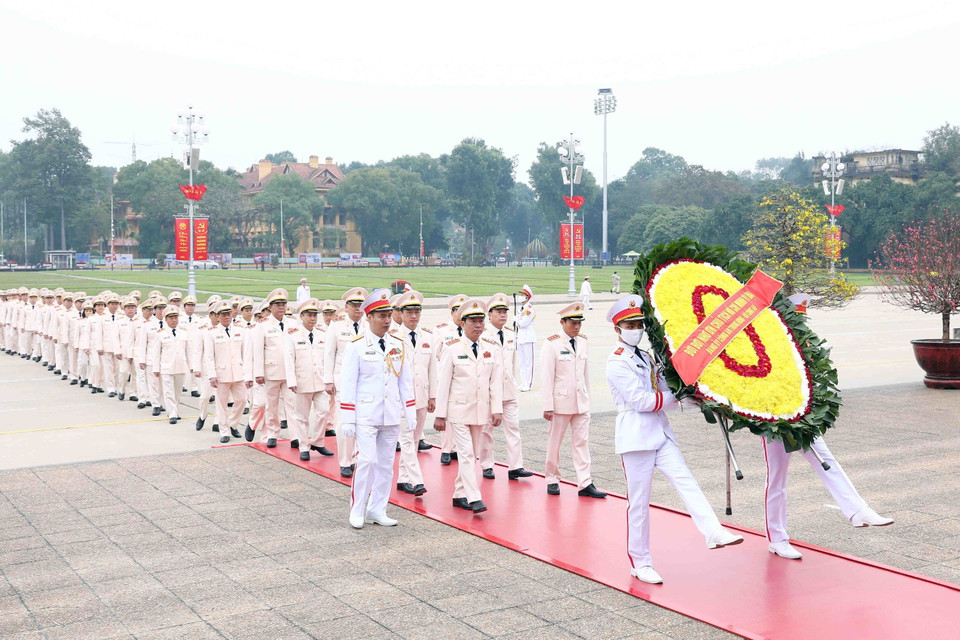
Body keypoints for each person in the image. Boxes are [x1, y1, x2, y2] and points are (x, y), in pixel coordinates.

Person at [605, 295, 744, 584]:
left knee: (686, 481)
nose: (636, 329)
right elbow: (641, 400)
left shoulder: (646, 356)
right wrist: (678, 398)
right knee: (639, 504)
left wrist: (703, 400)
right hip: (635, 436)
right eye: (629, 324)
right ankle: (640, 562)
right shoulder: (617, 362)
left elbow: (668, 386)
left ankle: (713, 531)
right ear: (617, 329)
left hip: (661, 432)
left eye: (639, 324)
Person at [763, 294, 893, 560]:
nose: (800, 322)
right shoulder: (768, 343)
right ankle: (777, 538)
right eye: (795, 318)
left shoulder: (805, 343)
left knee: (827, 461)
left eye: (801, 318)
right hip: (775, 421)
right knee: (777, 479)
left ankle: (858, 511)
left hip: (802, 417)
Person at [339, 289, 417, 529]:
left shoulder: (398, 344)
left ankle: (377, 509)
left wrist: (410, 412)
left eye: (388, 315)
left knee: (385, 465)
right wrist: (348, 418)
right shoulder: (356, 346)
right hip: (366, 414)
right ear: (368, 317)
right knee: (367, 461)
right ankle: (358, 509)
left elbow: (405, 381)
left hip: (391, 414)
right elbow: (348, 383)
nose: (386, 320)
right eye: (381, 316)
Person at [435, 298, 503, 514]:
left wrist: (497, 408)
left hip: (480, 411)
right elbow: (443, 384)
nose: (478, 325)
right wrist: (440, 415)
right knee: (465, 455)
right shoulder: (452, 348)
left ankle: (459, 494)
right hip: (458, 412)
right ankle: (474, 498)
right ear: (462, 324)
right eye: (473, 321)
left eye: (481, 321)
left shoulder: (490, 348)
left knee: (471, 454)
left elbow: (495, 382)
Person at [541, 303, 606, 498]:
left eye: (579, 323)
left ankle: (585, 482)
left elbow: (585, 375)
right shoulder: (552, 343)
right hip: (560, 403)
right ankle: (552, 478)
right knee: (555, 442)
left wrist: (587, 400)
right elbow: (546, 376)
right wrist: (547, 406)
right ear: (562, 322)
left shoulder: (584, 341)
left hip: (581, 402)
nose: (576, 327)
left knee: (581, 442)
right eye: (572, 323)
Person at [478, 293, 532, 480]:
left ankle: (515, 466)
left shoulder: (510, 334)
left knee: (513, 429)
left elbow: (513, 363)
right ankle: (486, 465)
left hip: (509, 390)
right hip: (489, 393)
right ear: (489, 314)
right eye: (498, 312)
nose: (503, 315)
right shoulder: (483, 336)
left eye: (505, 312)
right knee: (487, 430)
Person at [391, 290, 436, 496]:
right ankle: (417, 481)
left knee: (415, 439)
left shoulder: (427, 336)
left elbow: (431, 368)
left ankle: (403, 479)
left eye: (417, 311)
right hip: (401, 399)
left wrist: (432, 396)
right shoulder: (393, 338)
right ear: (400, 313)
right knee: (407, 440)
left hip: (422, 397)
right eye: (409, 312)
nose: (413, 316)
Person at [324, 287, 369, 477]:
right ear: (346, 307)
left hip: (366, 381)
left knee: (364, 422)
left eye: (361, 305)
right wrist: (327, 380)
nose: (358, 308)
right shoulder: (336, 326)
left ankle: (358, 457)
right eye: (354, 305)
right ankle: (345, 461)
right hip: (342, 381)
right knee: (344, 423)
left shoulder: (369, 325)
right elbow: (329, 354)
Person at [283, 298, 333, 460]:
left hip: (320, 381)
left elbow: (327, 359)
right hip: (302, 381)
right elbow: (289, 360)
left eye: (314, 315)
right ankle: (304, 446)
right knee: (302, 417)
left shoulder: (323, 334)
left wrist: (329, 378)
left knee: (324, 411)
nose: (312, 318)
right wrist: (291, 381)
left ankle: (318, 442)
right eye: (309, 315)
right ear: (301, 317)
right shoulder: (293, 335)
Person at [248, 288, 295, 448]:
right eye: (277, 304)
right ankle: (272, 434)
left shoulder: (293, 323)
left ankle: (295, 436)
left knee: (292, 405)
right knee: (271, 406)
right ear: (271, 307)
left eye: (283, 304)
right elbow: (258, 350)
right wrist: (259, 373)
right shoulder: (263, 325)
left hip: (290, 373)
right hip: (271, 372)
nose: (281, 307)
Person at [203, 301, 247, 444]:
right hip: (221, 373)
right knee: (221, 404)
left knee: (241, 400)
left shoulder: (239, 330)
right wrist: (212, 375)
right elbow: (209, 356)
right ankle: (224, 431)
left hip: (238, 372)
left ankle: (233, 424)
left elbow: (244, 353)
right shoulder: (212, 333)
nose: (227, 317)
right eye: (223, 314)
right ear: (218, 316)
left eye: (228, 314)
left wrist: (247, 371)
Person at [433, 294, 467, 465]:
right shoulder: (442, 330)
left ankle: (457, 449)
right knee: (444, 413)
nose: (459, 315)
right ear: (451, 312)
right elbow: (436, 353)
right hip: (445, 376)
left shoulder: (472, 328)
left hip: (463, 378)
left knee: (460, 414)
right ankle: (446, 449)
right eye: (456, 311)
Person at [150, 306, 192, 424]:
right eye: (171, 318)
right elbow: (156, 353)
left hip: (180, 366)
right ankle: (172, 413)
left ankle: (174, 410)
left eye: (175, 317)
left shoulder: (184, 332)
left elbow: (189, 351)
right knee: (168, 392)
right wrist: (155, 368)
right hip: (166, 367)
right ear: (166, 319)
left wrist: (192, 366)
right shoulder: (160, 334)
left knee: (177, 392)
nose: (174, 320)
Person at [515, 285, 536, 391]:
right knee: (522, 362)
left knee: (529, 363)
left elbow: (523, 323)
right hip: (521, 337)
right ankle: (523, 382)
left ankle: (528, 384)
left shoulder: (529, 309)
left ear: (527, 297)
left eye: (522, 295)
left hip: (528, 337)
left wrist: (517, 321)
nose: (520, 296)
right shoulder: (520, 309)